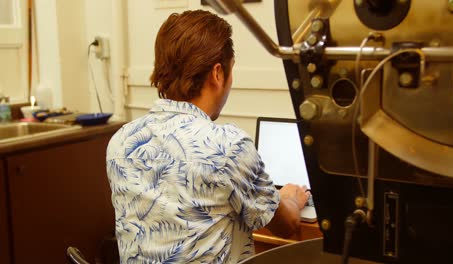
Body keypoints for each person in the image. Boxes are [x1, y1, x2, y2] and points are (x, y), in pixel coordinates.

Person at [106, 9, 310, 263]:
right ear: (218, 73)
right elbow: (286, 225)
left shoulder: (122, 140)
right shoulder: (227, 146)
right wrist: (291, 198)